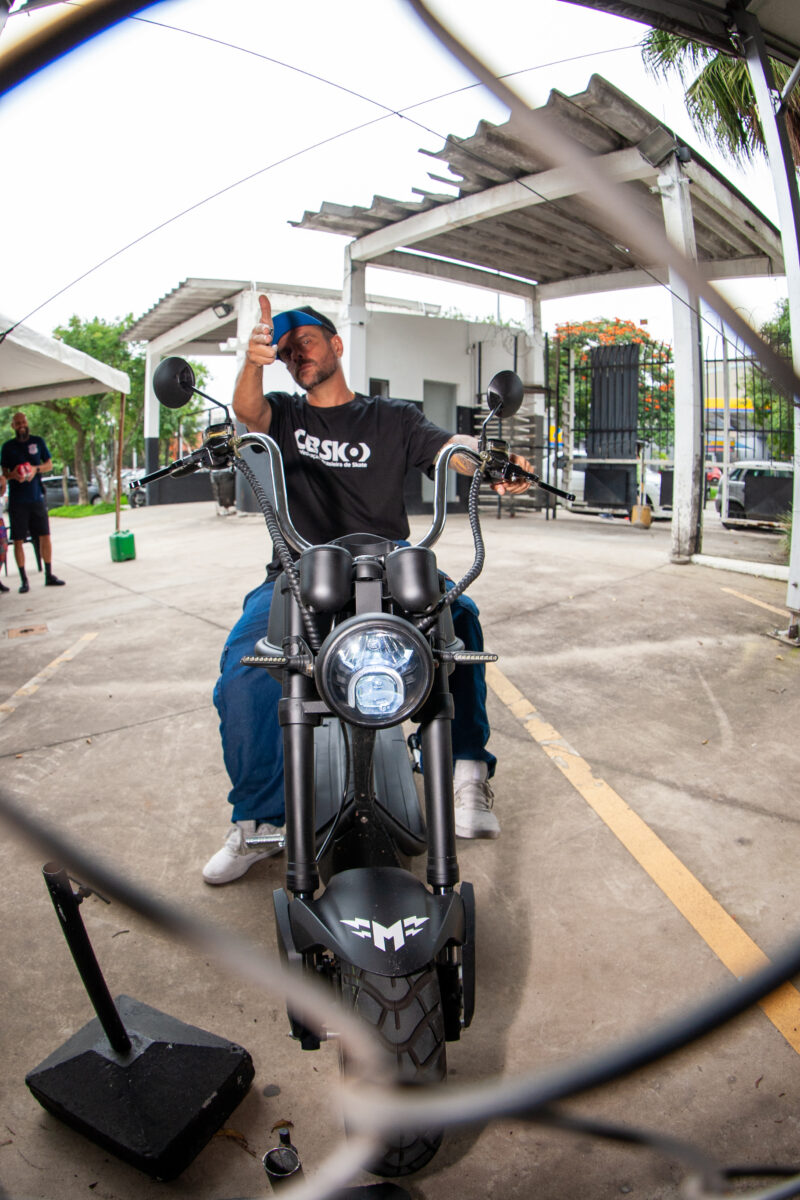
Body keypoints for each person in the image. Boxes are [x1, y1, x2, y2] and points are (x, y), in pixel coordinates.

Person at [203, 296, 533, 885]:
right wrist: (251, 363)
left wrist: (488, 461)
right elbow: (247, 408)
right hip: (298, 569)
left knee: (461, 617)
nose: (294, 353)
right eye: (283, 351)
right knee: (246, 664)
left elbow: (448, 448)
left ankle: (466, 773)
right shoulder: (282, 414)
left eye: (304, 339)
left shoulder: (393, 418)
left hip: (387, 565)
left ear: (335, 343)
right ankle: (260, 819)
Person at [1, 412, 65, 592]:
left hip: (36, 497)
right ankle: (24, 580)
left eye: (23, 422)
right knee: (19, 539)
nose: (21, 425)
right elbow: (4, 473)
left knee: (45, 536)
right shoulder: (8, 447)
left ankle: (49, 574)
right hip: (17, 500)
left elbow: (49, 464)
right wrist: (14, 474)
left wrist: (35, 469)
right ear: (13, 426)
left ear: (27, 423)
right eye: (17, 423)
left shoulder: (37, 442)